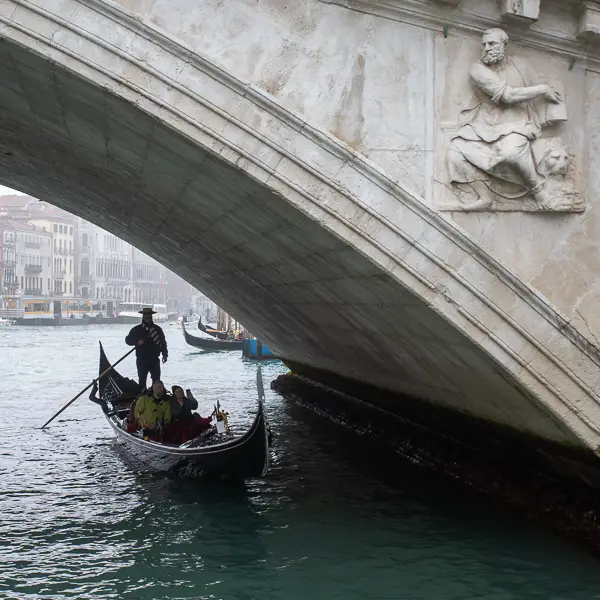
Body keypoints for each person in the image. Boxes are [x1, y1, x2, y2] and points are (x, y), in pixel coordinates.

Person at [447, 28, 562, 210]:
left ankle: (537, 189)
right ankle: (484, 196)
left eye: (492, 43)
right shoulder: (477, 69)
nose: (486, 48)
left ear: (504, 45)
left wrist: (550, 94)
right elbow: (507, 96)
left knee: (511, 153)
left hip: (517, 120)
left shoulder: (520, 64)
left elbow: (539, 82)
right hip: (485, 123)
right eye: (484, 44)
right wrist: (541, 90)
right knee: (455, 151)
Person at [125, 307, 168, 388]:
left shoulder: (158, 329)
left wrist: (165, 354)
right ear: (143, 316)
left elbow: (163, 343)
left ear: (152, 316)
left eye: (149, 315)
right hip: (142, 359)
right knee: (142, 380)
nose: (148, 316)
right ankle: (143, 397)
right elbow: (127, 340)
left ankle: (155, 396)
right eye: (146, 315)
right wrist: (137, 341)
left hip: (154, 359)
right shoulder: (136, 329)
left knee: (156, 380)